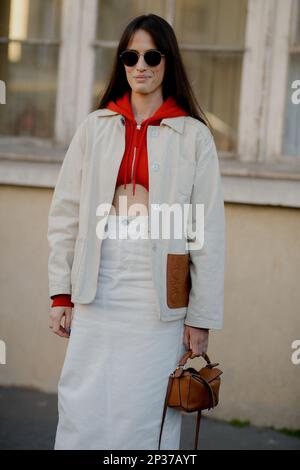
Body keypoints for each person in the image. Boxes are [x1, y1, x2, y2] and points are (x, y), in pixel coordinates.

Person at [48, 13, 225, 450]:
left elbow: (206, 231)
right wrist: (60, 293)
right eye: (131, 55)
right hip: (98, 277)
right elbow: (66, 214)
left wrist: (200, 316)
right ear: (121, 63)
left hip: (157, 291)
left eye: (151, 55)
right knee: (82, 399)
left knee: (146, 406)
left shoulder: (194, 136)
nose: (140, 65)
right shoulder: (95, 127)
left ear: (168, 61)